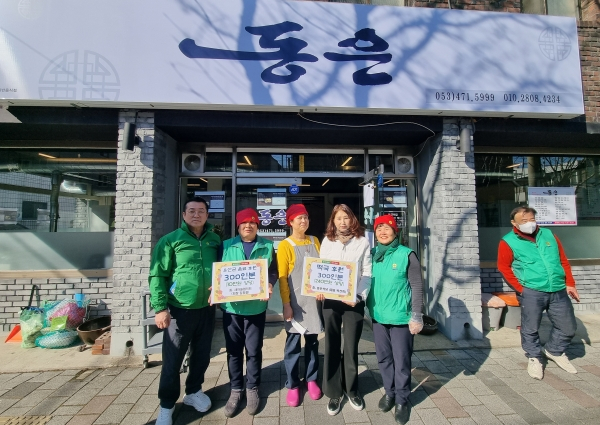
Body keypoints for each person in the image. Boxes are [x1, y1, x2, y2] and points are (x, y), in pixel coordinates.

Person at [149, 197, 221, 425]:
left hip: (207, 309)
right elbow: (157, 274)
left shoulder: (214, 240)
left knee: (201, 355)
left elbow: (222, 270)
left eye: (201, 211)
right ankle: (167, 405)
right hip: (179, 310)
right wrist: (160, 308)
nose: (196, 215)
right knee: (173, 360)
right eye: (191, 211)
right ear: (183, 214)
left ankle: (193, 391)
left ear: (207, 215)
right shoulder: (170, 240)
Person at [497, 206, 580, 381]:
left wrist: (570, 283)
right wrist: (521, 289)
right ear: (514, 223)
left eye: (532, 219)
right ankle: (534, 357)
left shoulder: (548, 235)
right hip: (532, 290)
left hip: (557, 288)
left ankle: (554, 350)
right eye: (524, 221)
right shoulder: (508, 241)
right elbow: (504, 267)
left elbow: (562, 260)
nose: (529, 223)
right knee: (531, 328)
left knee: (568, 327)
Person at [218, 208, 278, 418]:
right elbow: (218, 271)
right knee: (234, 351)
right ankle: (236, 388)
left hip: (255, 308)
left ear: (257, 225)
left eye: (252, 222)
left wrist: (269, 284)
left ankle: (252, 387)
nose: (248, 226)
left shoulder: (267, 245)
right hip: (232, 308)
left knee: (253, 350)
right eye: (244, 223)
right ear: (238, 226)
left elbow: (273, 271)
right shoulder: (226, 245)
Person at [367, 215, 423, 425]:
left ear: (395, 231)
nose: (383, 232)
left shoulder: (407, 254)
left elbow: (416, 286)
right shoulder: (372, 255)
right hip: (378, 316)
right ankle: (389, 392)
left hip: (401, 318)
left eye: (387, 228)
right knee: (384, 358)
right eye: (379, 228)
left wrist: (416, 315)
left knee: (401, 360)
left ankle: (402, 399)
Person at [317, 204, 372, 416]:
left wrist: (358, 296)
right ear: (333, 220)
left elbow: (367, 273)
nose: (342, 222)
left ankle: (352, 390)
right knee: (331, 344)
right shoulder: (327, 241)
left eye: (346, 217)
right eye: (338, 218)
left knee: (350, 346)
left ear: (352, 220)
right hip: (331, 301)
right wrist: (318, 288)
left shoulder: (362, 242)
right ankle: (333, 392)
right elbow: (321, 268)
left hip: (353, 302)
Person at [277, 204, 323, 407]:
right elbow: (283, 278)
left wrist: (323, 288)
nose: (303, 221)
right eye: (299, 218)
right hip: (295, 302)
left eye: (306, 217)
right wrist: (286, 304)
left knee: (313, 342)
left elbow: (322, 268)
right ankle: (293, 383)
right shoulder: (285, 245)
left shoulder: (315, 241)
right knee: (293, 345)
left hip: (313, 301)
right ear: (291, 222)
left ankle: (311, 379)